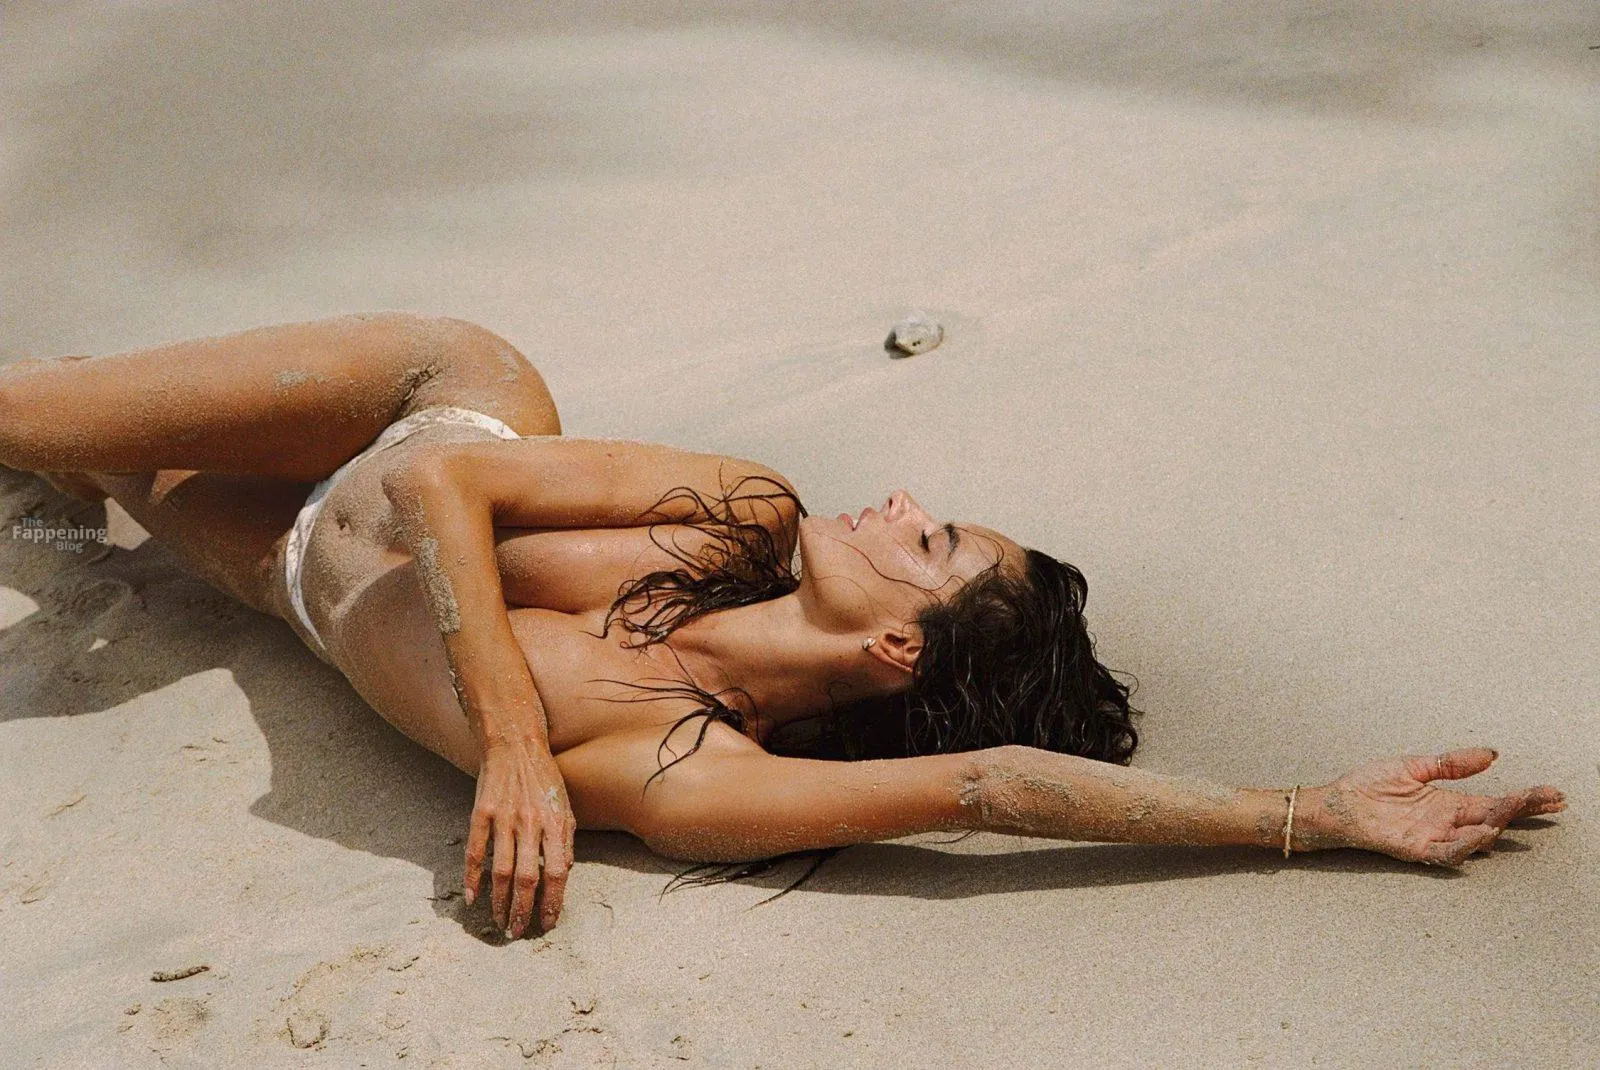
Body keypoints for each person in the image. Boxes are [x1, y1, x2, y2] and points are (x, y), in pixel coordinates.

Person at [0, 312, 1566, 941]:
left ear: (899, 652)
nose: (901, 500)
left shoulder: (694, 772)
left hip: (290, 579)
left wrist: (1306, 815)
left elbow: (985, 786)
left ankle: (80, 425)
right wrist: (516, 749)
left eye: (931, 541)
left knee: (81, 451)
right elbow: (443, 487)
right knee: (18, 412)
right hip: (413, 403)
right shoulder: (742, 511)